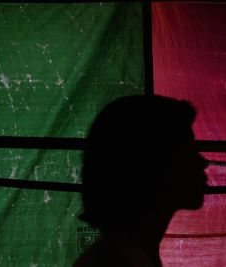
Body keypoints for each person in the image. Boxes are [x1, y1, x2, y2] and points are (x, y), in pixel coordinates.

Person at [74, 95, 208, 267]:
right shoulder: (115, 262)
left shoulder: (119, 256)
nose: (203, 162)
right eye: (188, 151)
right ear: (153, 164)